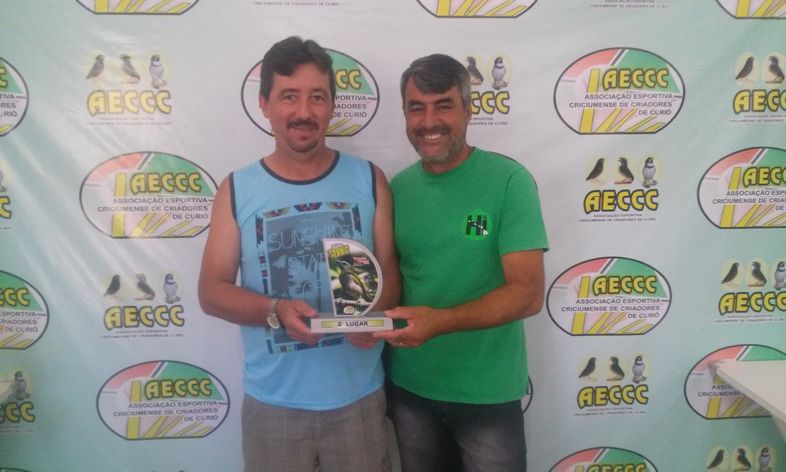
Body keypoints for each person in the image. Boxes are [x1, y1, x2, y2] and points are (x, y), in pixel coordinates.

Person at [198, 36, 399, 472]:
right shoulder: (237, 189)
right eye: (289, 96)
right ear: (264, 104)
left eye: (317, 97)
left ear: (332, 105)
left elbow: (389, 271)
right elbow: (211, 291)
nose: (304, 112)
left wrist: (369, 318)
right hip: (273, 408)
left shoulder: (369, 179)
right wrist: (276, 310)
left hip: (359, 401)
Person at [374, 54, 548, 472]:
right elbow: (391, 279)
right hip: (411, 388)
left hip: (487, 393)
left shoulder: (508, 181)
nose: (429, 121)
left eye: (443, 106)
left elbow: (527, 293)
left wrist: (440, 322)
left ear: (469, 110)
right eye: (417, 108)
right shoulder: (397, 188)